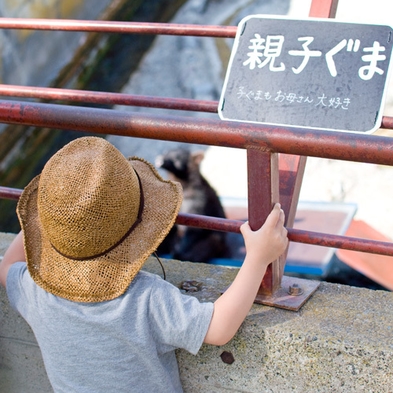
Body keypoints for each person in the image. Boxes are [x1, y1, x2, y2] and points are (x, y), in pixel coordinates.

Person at [0, 136, 288, 393]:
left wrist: (47, 221)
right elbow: (219, 328)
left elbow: (6, 268)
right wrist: (258, 258)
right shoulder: (144, 298)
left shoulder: (34, 291)